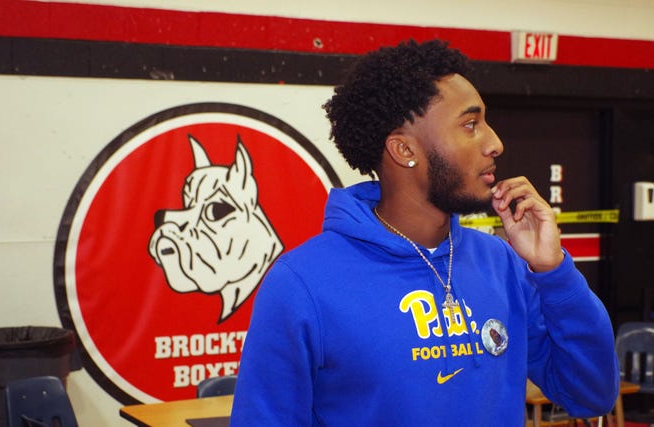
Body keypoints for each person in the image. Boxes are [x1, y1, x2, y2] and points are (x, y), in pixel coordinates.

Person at [229, 39, 619, 426]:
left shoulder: (502, 263)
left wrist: (553, 273)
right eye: (470, 125)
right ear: (403, 150)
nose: (495, 143)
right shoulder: (302, 283)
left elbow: (590, 394)